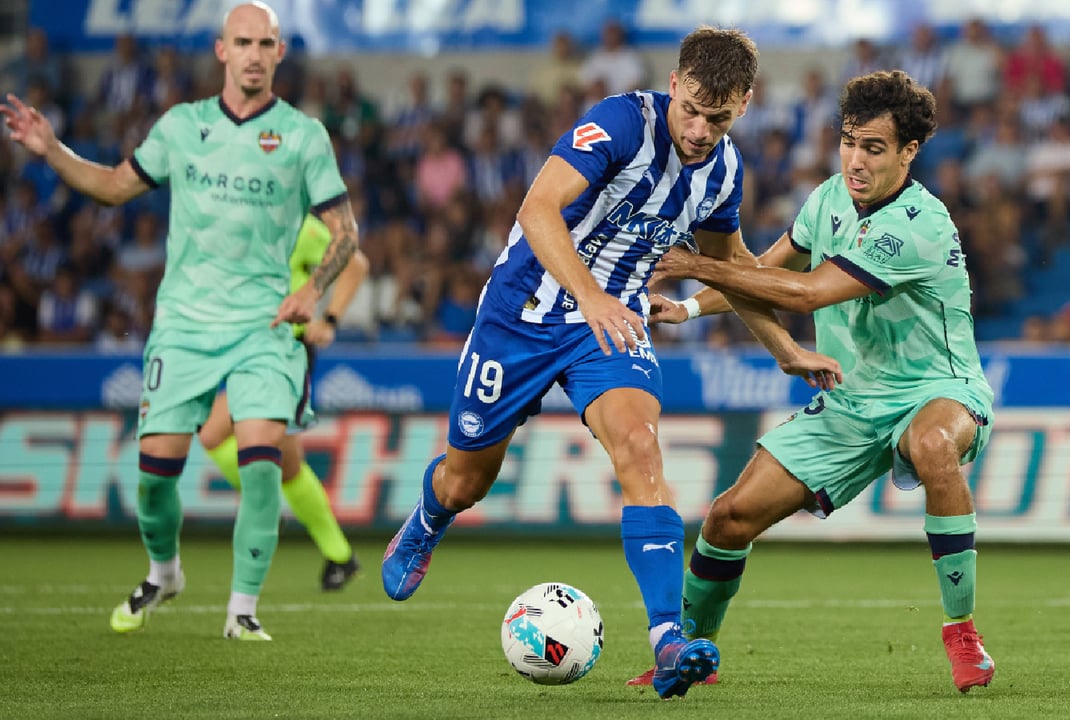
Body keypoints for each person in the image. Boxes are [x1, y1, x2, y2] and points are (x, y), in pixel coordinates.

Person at [380, 26, 840, 699]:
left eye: (720, 117)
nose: (702, 129)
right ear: (676, 84)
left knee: (640, 448)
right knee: (464, 482)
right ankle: (427, 519)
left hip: (614, 325)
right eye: (693, 110)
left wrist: (787, 348)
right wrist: (589, 295)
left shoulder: (723, 171)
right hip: (521, 316)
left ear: (743, 104)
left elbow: (735, 268)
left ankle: (668, 640)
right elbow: (538, 211)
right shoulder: (622, 122)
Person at [1, 1, 358, 640]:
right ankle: (164, 572)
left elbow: (345, 233)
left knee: (260, 462)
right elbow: (113, 186)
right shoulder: (180, 126)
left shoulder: (304, 136)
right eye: (241, 42)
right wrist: (51, 148)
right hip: (184, 328)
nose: (253, 53)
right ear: (222, 50)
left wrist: (316, 292)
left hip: (263, 329)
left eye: (265, 43)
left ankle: (242, 611)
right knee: (154, 480)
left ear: (279, 53)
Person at [648, 70, 998, 694]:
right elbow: (763, 272)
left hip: (939, 389)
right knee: (727, 519)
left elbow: (805, 294)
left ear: (909, 152)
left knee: (933, 445)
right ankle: (689, 656)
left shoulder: (919, 225)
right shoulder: (828, 199)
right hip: (852, 398)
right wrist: (693, 307)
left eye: (874, 148)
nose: (855, 160)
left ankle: (962, 632)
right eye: (848, 141)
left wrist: (692, 263)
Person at [198, 213, 369, 591]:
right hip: (256, 349)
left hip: (287, 351)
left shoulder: (304, 227)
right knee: (287, 466)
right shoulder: (256, 222)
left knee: (214, 433)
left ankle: (268, 507)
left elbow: (355, 263)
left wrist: (330, 319)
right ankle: (340, 556)